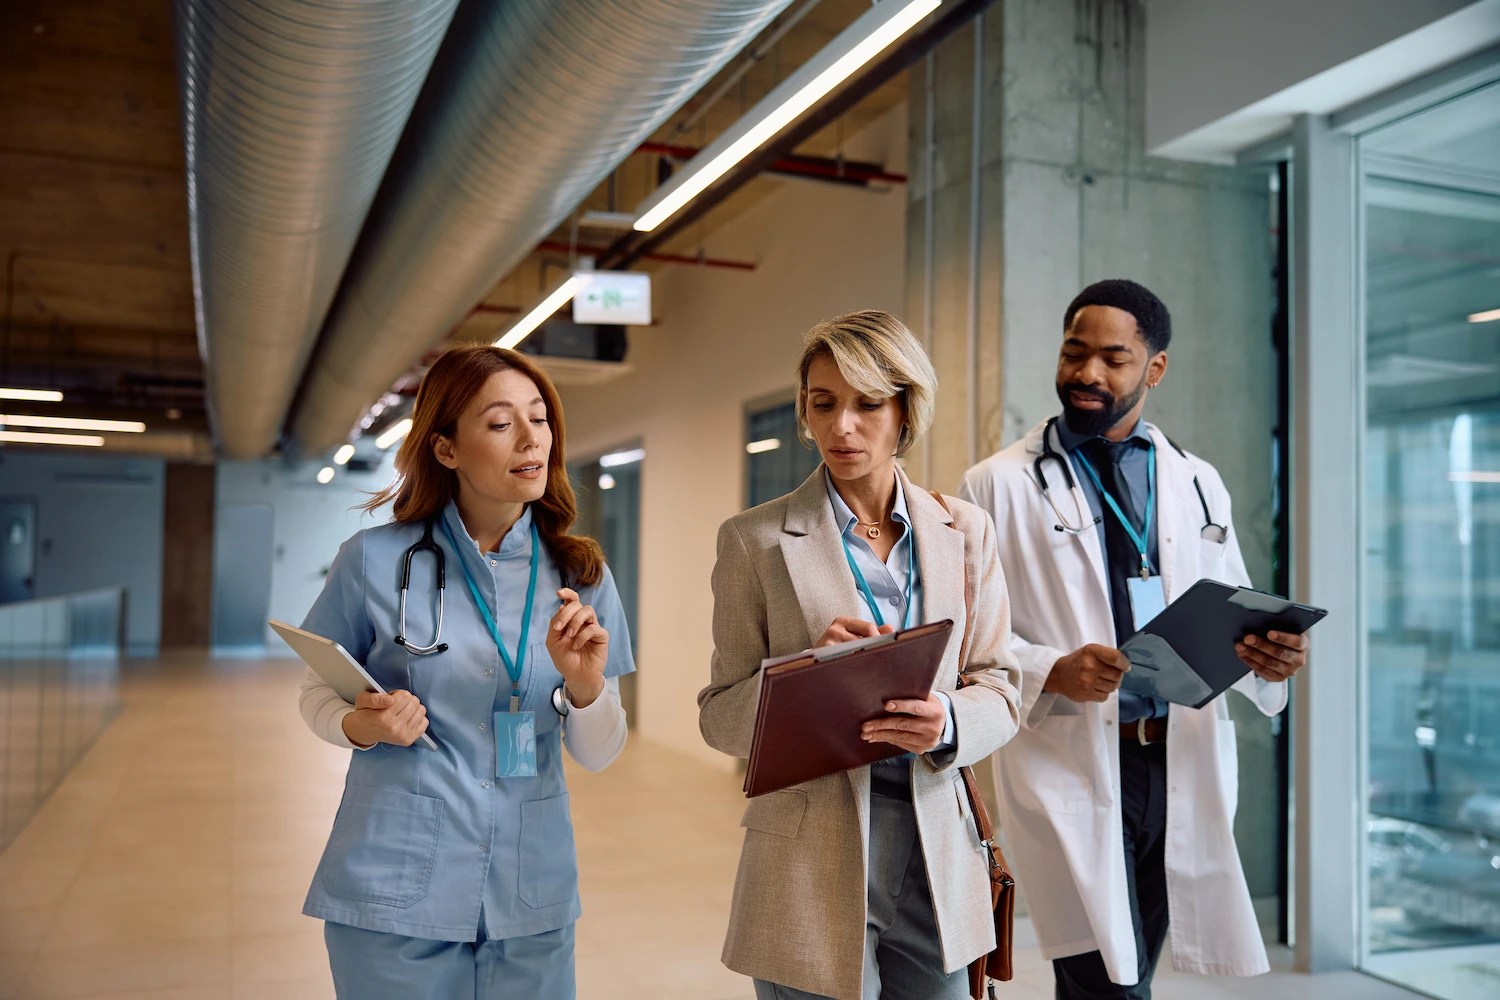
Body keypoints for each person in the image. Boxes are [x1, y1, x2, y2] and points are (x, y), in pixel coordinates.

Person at [958, 279, 1310, 999]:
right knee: (1104, 982)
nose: (1087, 372)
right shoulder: (996, 485)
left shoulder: (1197, 480)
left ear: (1155, 369)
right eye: (1074, 352)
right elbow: (969, 636)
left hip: (1177, 758)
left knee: (1131, 972)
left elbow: (1234, 606)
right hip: (1073, 758)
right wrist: (1051, 669)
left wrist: (1269, 658)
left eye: (1113, 359)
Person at [699, 310, 1022, 1000]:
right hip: (806, 854)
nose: (842, 426)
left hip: (937, 848)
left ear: (906, 410)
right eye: (824, 404)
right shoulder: (754, 541)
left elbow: (1001, 684)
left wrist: (949, 721)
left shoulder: (965, 531)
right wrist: (801, 675)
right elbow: (719, 717)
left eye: (868, 403)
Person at [296, 345, 634, 1000]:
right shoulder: (373, 560)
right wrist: (362, 724)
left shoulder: (580, 575)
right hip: (394, 890)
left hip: (529, 893)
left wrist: (585, 687)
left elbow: (599, 752)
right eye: (502, 423)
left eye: (540, 418)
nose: (532, 439)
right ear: (446, 448)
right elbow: (317, 691)